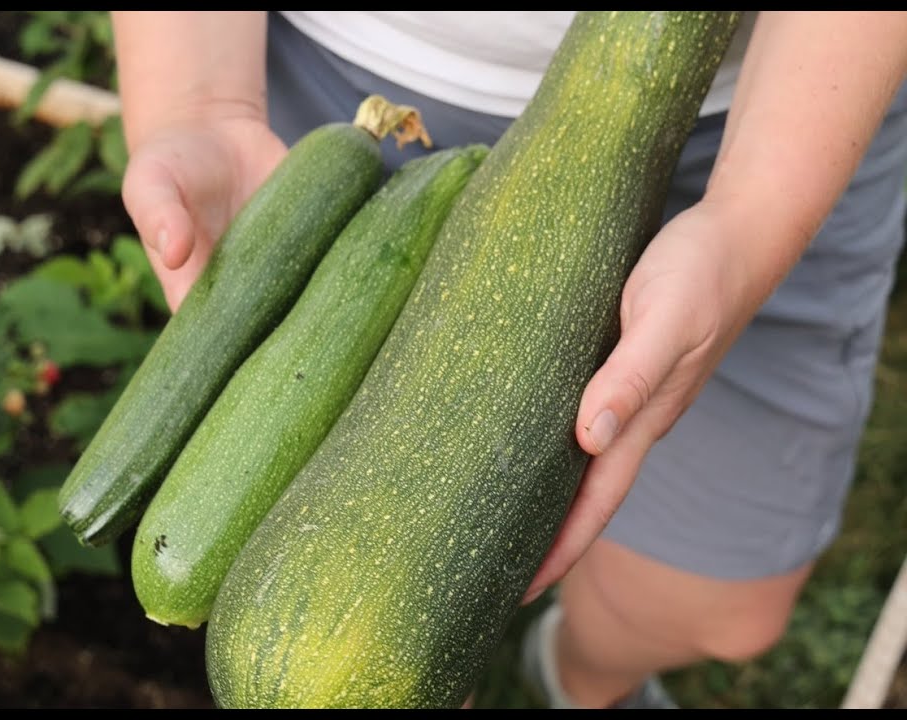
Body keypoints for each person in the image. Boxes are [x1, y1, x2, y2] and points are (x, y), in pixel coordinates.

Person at [109, 11, 907, 709]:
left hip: (793, 106)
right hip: (356, 66)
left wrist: (752, 218)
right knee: (392, 635)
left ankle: (580, 681)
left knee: (720, 610)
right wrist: (198, 101)